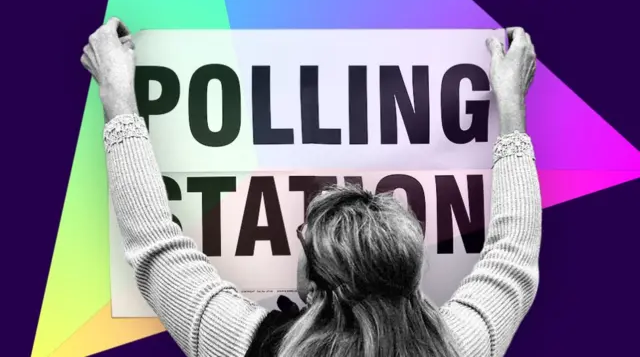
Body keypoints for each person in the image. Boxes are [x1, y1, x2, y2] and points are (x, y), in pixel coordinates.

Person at [81, 18, 541, 357]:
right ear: (412, 277)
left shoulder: (254, 347)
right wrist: (513, 106)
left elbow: (157, 248)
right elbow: (512, 256)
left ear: (314, 288)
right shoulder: (458, 347)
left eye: (304, 240)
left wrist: (118, 99)